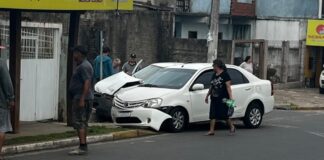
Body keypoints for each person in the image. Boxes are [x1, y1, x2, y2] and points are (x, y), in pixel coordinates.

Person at [68, 46, 94, 155]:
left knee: (80, 122)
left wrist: (82, 99)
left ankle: (82, 147)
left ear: (79, 54)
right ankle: (83, 144)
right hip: (81, 97)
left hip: (82, 98)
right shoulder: (83, 65)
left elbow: (87, 82)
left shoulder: (84, 66)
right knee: (82, 122)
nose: (74, 55)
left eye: (75, 53)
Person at [205, 59, 236, 136]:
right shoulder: (214, 75)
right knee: (212, 114)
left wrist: (231, 98)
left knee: (224, 115)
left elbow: (228, 87)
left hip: (223, 98)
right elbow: (211, 86)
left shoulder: (225, 75)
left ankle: (232, 126)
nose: (212, 67)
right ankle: (211, 130)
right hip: (214, 97)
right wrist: (207, 95)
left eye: (213, 65)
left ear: (217, 66)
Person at [0, 46, 15, 160]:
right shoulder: (1, 63)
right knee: (1, 128)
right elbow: (7, 82)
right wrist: (11, 98)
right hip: (1, 103)